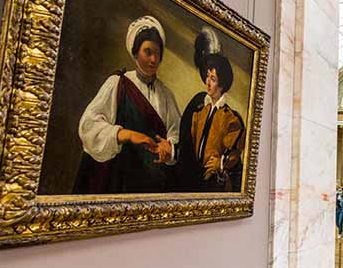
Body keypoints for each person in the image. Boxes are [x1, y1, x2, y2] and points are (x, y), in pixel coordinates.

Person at [74, 16, 181, 193]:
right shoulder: (118, 83)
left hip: (151, 184)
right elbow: (89, 126)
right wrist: (127, 134)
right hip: (118, 178)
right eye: (148, 52)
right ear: (135, 52)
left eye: (157, 53)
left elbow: (176, 132)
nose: (154, 59)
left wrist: (169, 146)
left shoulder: (166, 95)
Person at [182, 27, 245, 192]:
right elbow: (189, 141)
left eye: (213, 79)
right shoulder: (199, 109)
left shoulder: (231, 118)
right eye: (207, 77)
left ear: (222, 84)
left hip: (214, 184)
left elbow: (234, 153)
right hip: (194, 180)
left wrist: (221, 163)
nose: (208, 83)